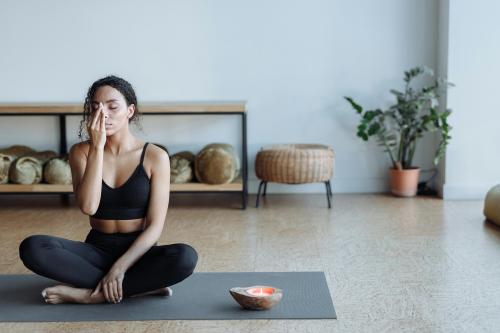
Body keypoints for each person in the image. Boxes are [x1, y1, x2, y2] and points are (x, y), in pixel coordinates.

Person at [18, 75, 198, 304]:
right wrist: (97, 148)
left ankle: (90, 295)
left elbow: (155, 227)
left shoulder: (155, 156)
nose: (103, 114)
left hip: (138, 253)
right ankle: (138, 288)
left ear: (130, 111)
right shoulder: (81, 152)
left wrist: (120, 268)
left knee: (185, 257)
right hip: (97, 250)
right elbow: (89, 206)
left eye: (113, 107)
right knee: (33, 247)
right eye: (96, 108)